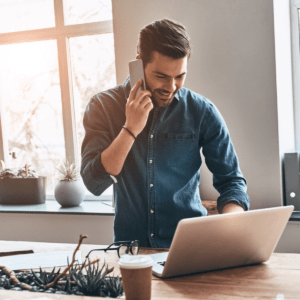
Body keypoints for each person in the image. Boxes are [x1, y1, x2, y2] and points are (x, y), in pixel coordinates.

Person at [81, 19, 250, 248]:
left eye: (180, 76)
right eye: (161, 76)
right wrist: (130, 129)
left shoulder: (202, 111)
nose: (171, 87)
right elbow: (94, 182)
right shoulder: (103, 106)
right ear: (139, 64)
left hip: (189, 248)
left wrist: (231, 225)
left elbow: (231, 182)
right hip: (131, 252)